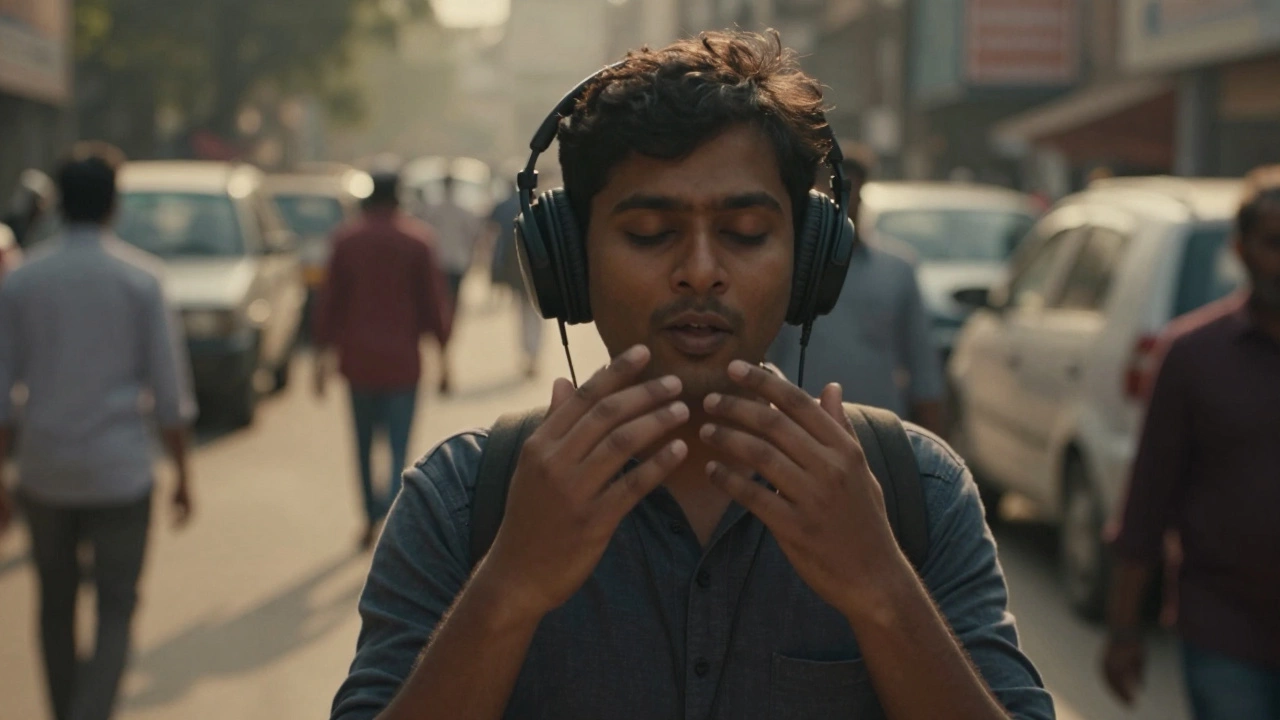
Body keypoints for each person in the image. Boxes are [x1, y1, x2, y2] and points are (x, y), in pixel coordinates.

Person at [330, 32, 1050, 720]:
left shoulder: (912, 493)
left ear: (807, 261)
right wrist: (510, 587)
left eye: (744, 234)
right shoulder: (462, 503)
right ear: (570, 262)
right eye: (649, 233)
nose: (701, 270)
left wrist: (883, 590)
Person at [0, 142, 196, 720]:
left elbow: (1, 391)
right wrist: (183, 474)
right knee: (116, 607)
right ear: (115, 204)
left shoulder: (24, 280)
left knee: (54, 606)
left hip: (45, 469)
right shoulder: (141, 279)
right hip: (119, 472)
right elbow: (169, 392)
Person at [1102, 165, 1280, 719]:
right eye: (1276, 243)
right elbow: (1148, 499)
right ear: (1243, 249)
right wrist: (1125, 628)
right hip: (1226, 628)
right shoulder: (1192, 354)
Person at [313, 170, 453, 550]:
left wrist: (319, 363)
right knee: (397, 449)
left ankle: (368, 517)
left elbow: (330, 306)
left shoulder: (347, 240)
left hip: (357, 362)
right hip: (402, 364)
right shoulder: (418, 241)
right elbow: (434, 307)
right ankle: (392, 520)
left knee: (361, 446)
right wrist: (444, 361)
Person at [768, 148, 945, 433]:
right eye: (833, 196)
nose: (846, 206)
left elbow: (923, 368)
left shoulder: (898, 269)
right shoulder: (785, 268)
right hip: (794, 432)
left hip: (880, 436)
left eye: (854, 196)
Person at [417, 173, 482, 395]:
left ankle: (443, 363)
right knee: (449, 315)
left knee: (437, 314)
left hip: (438, 266)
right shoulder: (463, 210)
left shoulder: (431, 210)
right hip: (455, 266)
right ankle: (445, 362)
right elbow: (475, 236)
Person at [488, 181, 543, 379]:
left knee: (522, 313)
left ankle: (527, 354)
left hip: (514, 266)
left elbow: (491, 234)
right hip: (537, 266)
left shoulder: (502, 206)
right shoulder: (539, 205)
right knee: (536, 314)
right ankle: (533, 355)